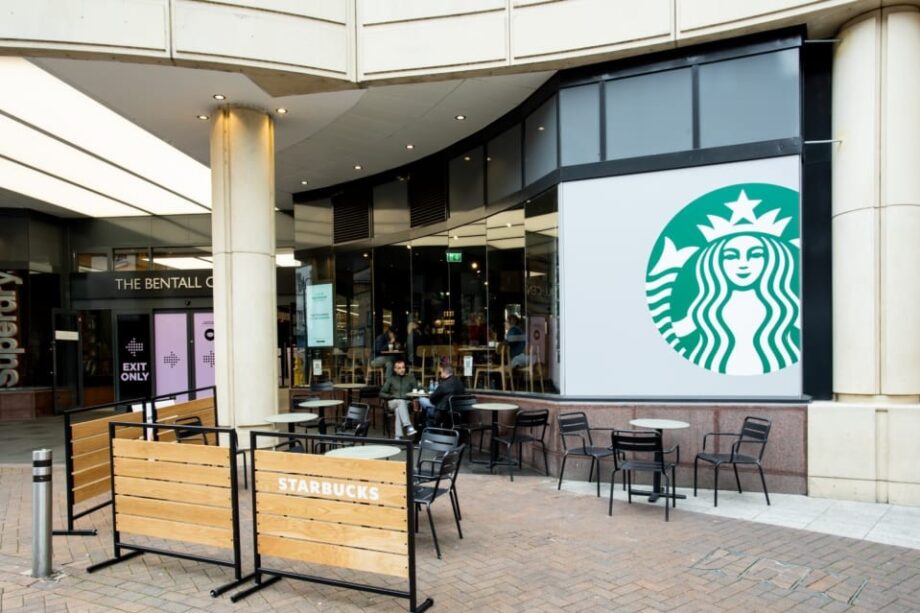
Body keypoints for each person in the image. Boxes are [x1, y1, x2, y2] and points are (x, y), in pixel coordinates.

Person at [379, 358, 419, 438]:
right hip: (392, 402)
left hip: (406, 403)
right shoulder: (391, 379)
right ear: (395, 369)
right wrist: (391, 396)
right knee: (400, 402)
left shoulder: (410, 378)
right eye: (399, 368)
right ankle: (408, 426)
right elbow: (381, 393)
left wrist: (415, 395)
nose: (402, 370)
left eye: (403, 367)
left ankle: (398, 436)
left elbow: (417, 391)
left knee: (398, 410)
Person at [417, 363, 466, 427]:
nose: (440, 374)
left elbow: (432, 399)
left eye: (441, 372)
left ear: (445, 373)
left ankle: (424, 426)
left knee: (421, 399)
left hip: (443, 411)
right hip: (458, 411)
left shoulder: (444, 384)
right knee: (427, 411)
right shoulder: (460, 382)